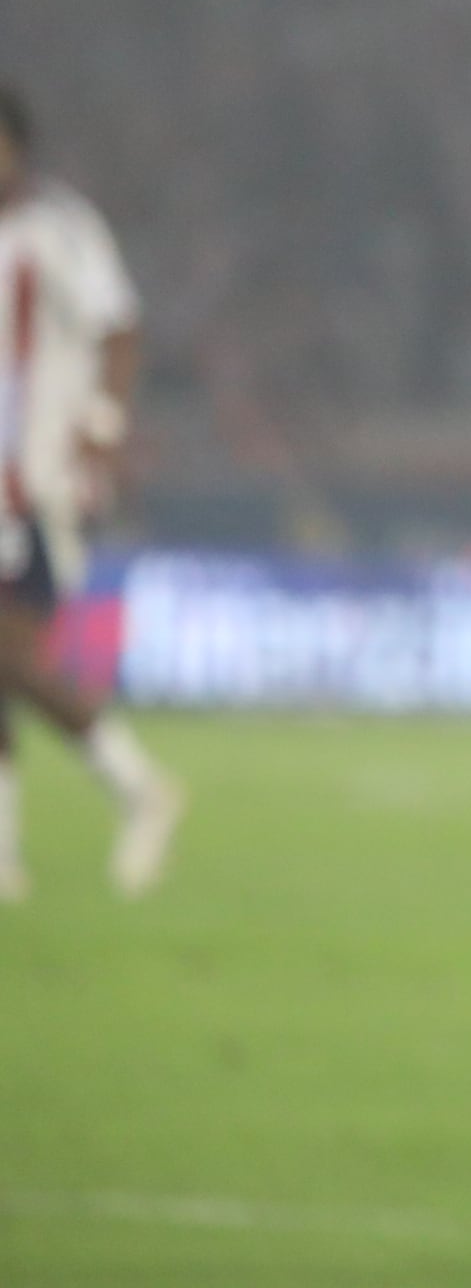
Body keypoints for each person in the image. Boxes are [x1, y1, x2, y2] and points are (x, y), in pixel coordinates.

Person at [0, 82, 185, 902]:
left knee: (7, 651)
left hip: (38, 486)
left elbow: (120, 327)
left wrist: (103, 426)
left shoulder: (61, 230)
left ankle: (138, 785)